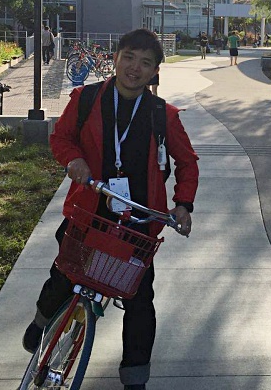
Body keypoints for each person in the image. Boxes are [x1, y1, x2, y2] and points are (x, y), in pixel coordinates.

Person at [22, 28, 198, 390]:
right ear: (115, 58)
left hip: (138, 222)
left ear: (154, 72)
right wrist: (73, 161)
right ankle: (42, 321)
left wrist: (183, 204)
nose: (135, 67)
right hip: (89, 210)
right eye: (129, 57)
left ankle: (135, 378)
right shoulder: (86, 99)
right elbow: (62, 138)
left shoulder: (164, 115)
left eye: (146, 63)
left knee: (139, 301)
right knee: (65, 273)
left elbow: (187, 162)